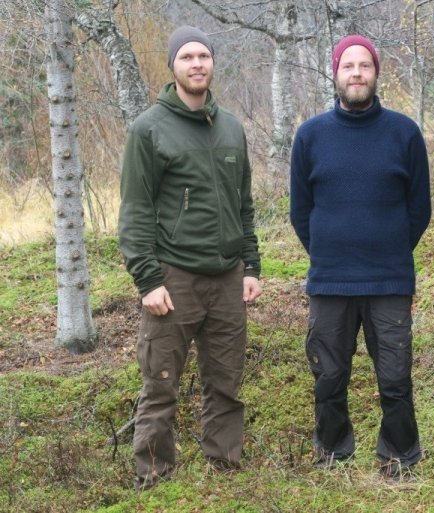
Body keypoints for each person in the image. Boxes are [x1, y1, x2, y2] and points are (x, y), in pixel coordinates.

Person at [118, 25, 262, 491]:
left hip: (226, 279)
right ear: (173, 66)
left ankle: (224, 470)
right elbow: (136, 210)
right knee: (161, 384)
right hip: (173, 278)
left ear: (213, 63)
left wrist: (251, 266)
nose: (197, 63)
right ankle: (154, 478)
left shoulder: (232, 127)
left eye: (204, 55)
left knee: (226, 383)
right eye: (187, 57)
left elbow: (244, 204)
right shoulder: (148, 129)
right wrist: (147, 280)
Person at [289, 35, 431, 479]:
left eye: (364, 65)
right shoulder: (310, 135)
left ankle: (399, 455)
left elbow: (419, 209)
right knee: (329, 377)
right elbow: (299, 211)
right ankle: (333, 451)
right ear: (335, 73)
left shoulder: (404, 132)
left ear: (376, 73)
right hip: (330, 281)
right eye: (348, 65)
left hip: (389, 279)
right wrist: (332, 250)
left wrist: (385, 248)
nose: (356, 73)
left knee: (395, 377)